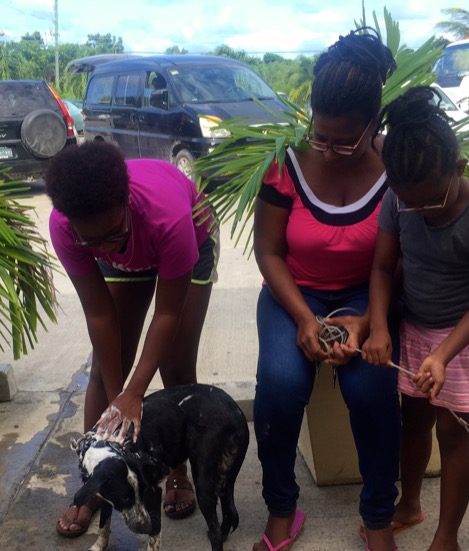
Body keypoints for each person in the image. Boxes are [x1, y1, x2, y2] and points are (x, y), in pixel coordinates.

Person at [252, 29, 401, 551]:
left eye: (346, 140)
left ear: (373, 126)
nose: (330, 150)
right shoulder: (285, 165)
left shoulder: (395, 167)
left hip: (369, 295)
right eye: (321, 136)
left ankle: (378, 516)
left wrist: (367, 323)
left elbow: (397, 261)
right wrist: (303, 319)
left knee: (373, 392)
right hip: (293, 295)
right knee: (277, 388)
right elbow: (268, 253)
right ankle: (281, 509)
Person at [361, 86, 469, 551]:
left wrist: (445, 354)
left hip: (463, 339)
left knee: (453, 433)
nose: (420, 211)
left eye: (431, 200)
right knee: (412, 424)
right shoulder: (400, 199)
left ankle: (447, 535)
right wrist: (376, 326)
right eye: (409, 202)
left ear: (459, 169)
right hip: (416, 331)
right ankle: (408, 503)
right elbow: (381, 268)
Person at [46, 141, 219, 538]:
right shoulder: (67, 226)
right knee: (106, 369)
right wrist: (116, 397)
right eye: (92, 241)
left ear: (125, 201)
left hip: (189, 234)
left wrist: (136, 392)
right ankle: (94, 481)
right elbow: (99, 313)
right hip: (134, 241)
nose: (104, 248)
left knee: (176, 364)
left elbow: (168, 313)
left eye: (111, 234)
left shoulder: (168, 217)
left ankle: (177, 470)